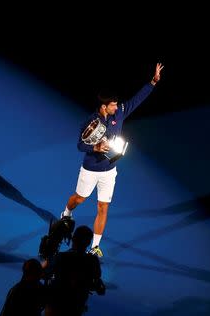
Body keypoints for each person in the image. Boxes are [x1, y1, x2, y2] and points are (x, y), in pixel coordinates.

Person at [60, 63, 164, 257]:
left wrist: (152, 82)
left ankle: (95, 246)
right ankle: (66, 213)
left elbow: (136, 100)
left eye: (117, 104)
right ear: (104, 107)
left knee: (103, 207)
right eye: (113, 105)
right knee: (80, 198)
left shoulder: (120, 112)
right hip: (90, 169)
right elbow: (80, 146)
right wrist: (95, 147)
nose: (117, 107)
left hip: (109, 171)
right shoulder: (90, 122)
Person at [44, 225, 105, 316]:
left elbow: (43, 273)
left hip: (55, 305)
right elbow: (100, 289)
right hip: (76, 307)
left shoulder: (60, 257)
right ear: (88, 243)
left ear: (73, 238)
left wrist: (48, 256)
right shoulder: (92, 261)